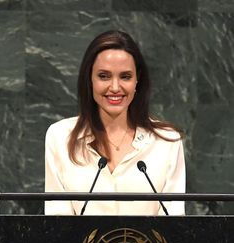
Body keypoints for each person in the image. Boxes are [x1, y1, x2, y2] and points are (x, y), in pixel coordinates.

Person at [45, 30, 186, 215]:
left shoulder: (168, 141)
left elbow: (174, 226)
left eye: (125, 76)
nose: (114, 87)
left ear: (137, 79)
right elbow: (57, 223)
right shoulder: (60, 136)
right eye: (104, 76)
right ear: (90, 79)